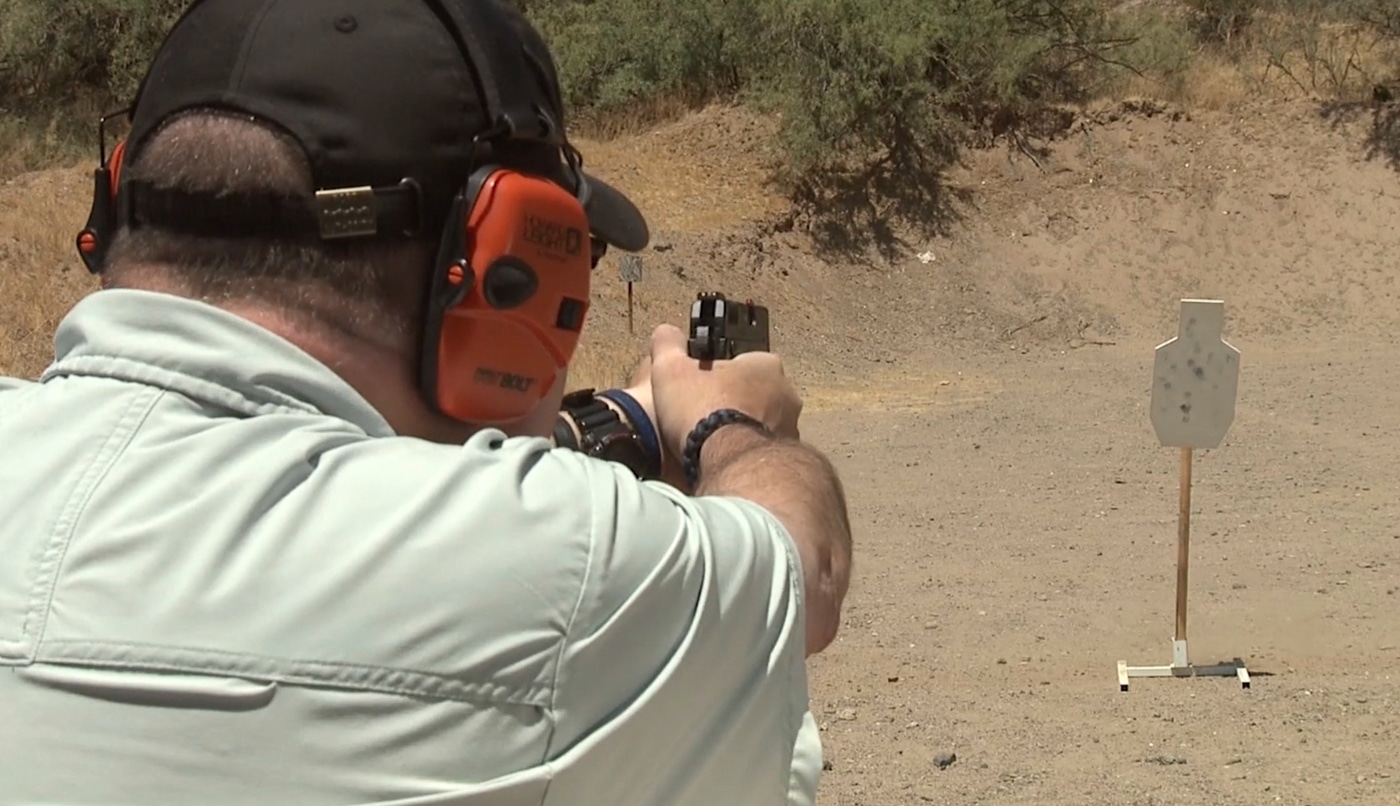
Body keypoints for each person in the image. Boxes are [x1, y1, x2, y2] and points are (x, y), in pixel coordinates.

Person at [0, 1, 854, 804]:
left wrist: (602, 431)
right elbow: (801, 574)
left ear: (114, 206)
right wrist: (731, 426)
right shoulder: (565, 565)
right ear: (506, 270)